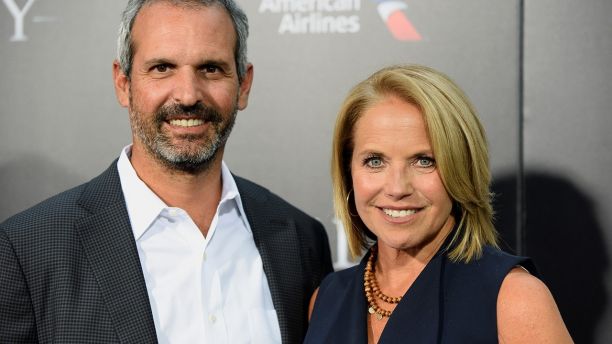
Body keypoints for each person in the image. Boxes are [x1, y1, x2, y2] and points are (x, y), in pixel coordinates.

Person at [0, 0, 332, 343]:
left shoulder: (301, 240)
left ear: (243, 85)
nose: (188, 95)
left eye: (211, 69)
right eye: (162, 68)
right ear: (123, 83)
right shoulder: (27, 251)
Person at [305, 65, 573, 343]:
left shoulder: (513, 298)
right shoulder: (327, 299)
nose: (397, 188)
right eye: (375, 161)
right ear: (348, 171)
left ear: (462, 170)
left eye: (424, 161)